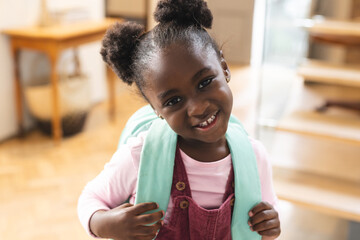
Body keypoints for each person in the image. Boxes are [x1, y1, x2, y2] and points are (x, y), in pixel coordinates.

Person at [78, 0, 280, 239]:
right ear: (156, 110)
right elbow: (90, 198)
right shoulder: (140, 155)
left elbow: (266, 214)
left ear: (224, 68)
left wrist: (271, 224)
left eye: (205, 82)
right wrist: (105, 223)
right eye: (173, 101)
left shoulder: (254, 157)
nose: (198, 108)